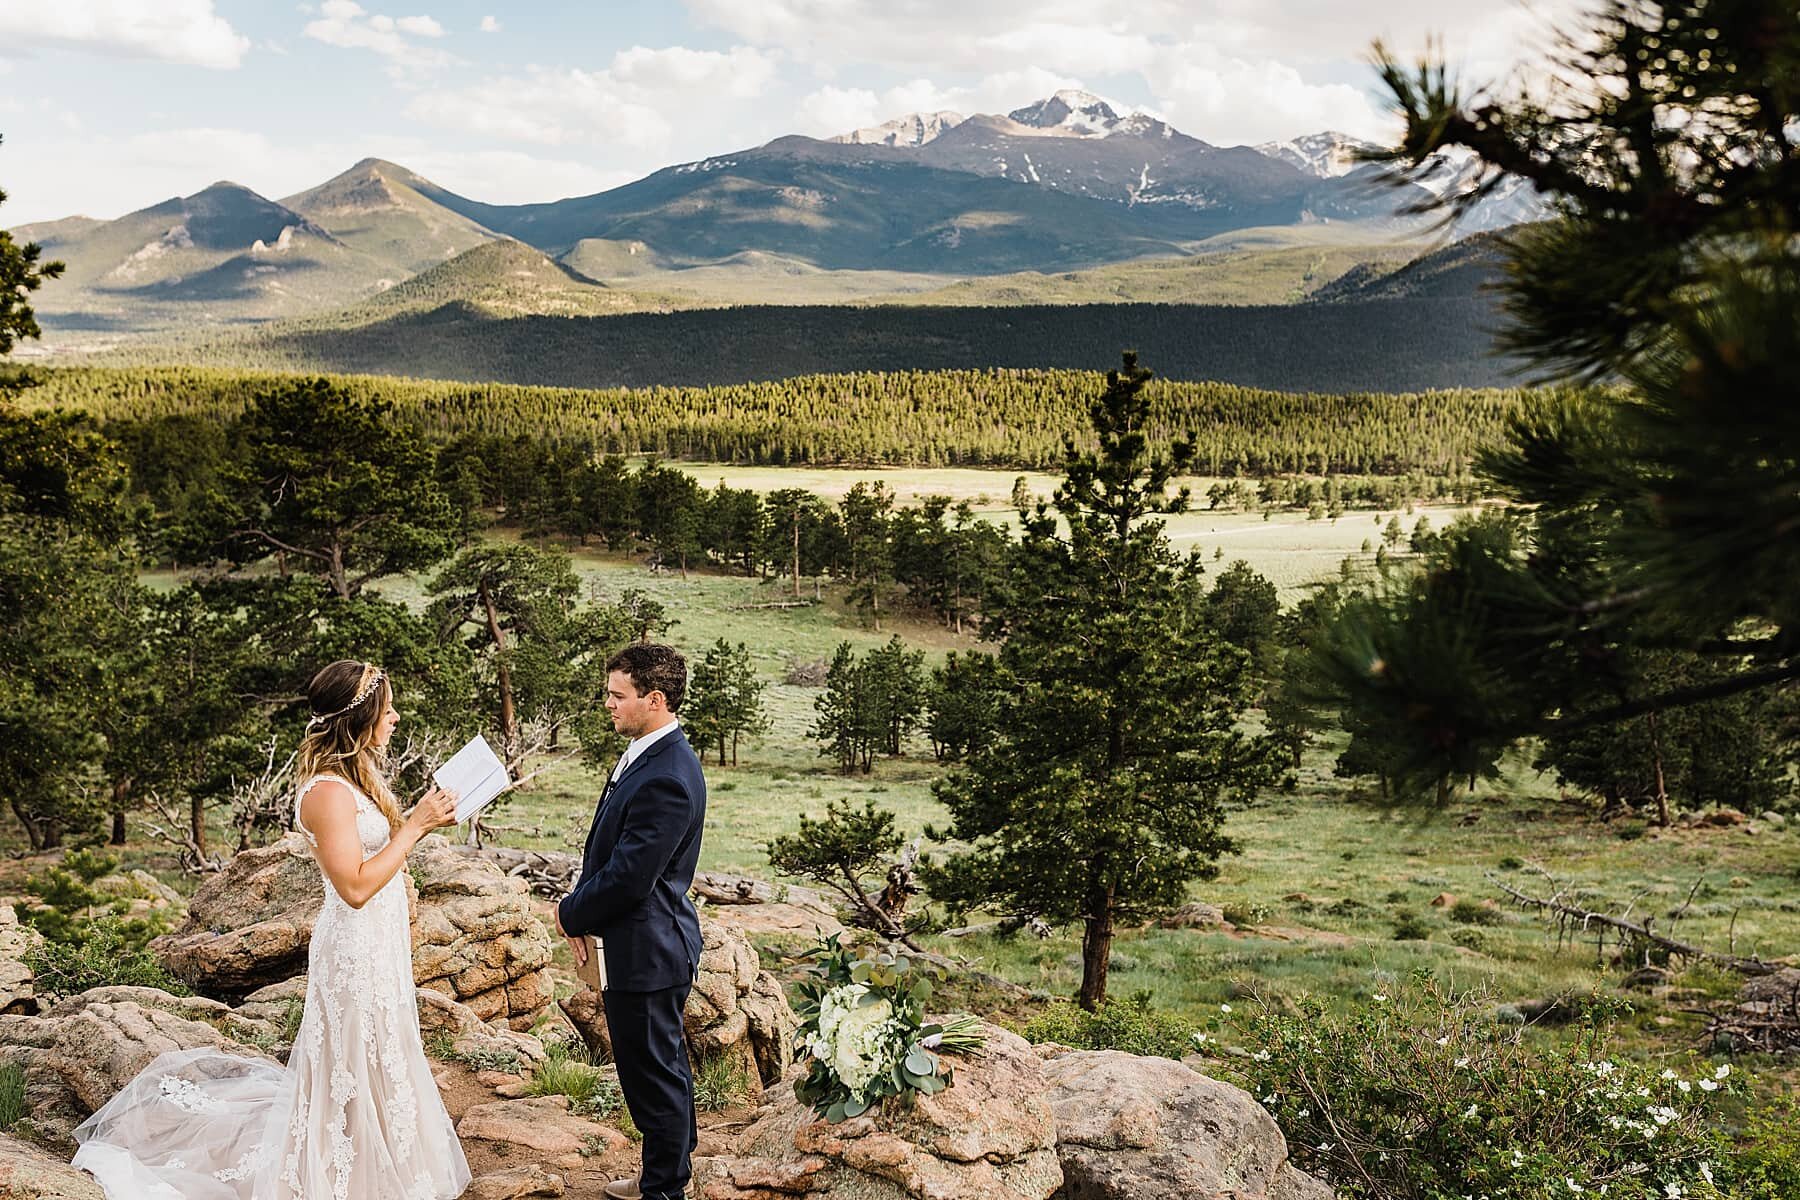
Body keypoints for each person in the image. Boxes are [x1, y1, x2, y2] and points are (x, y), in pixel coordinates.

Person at [71, 660, 471, 1200]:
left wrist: (423, 821)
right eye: (387, 709)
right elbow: (353, 887)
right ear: (357, 720)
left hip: (381, 941)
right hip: (354, 943)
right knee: (351, 1055)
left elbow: (379, 854)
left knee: (381, 1049)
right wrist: (415, 826)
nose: (395, 717)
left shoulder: (359, 777)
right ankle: (339, 1170)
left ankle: (380, 1159)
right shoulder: (327, 792)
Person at [557, 643, 707, 1200]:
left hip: (648, 951)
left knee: (652, 1079)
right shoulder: (648, 753)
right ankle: (667, 1171)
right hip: (646, 943)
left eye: (618, 695)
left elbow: (628, 877)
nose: (608, 705)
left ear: (656, 699)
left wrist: (569, 910)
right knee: (662, 1066)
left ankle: (664, 1190)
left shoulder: (667, 774)